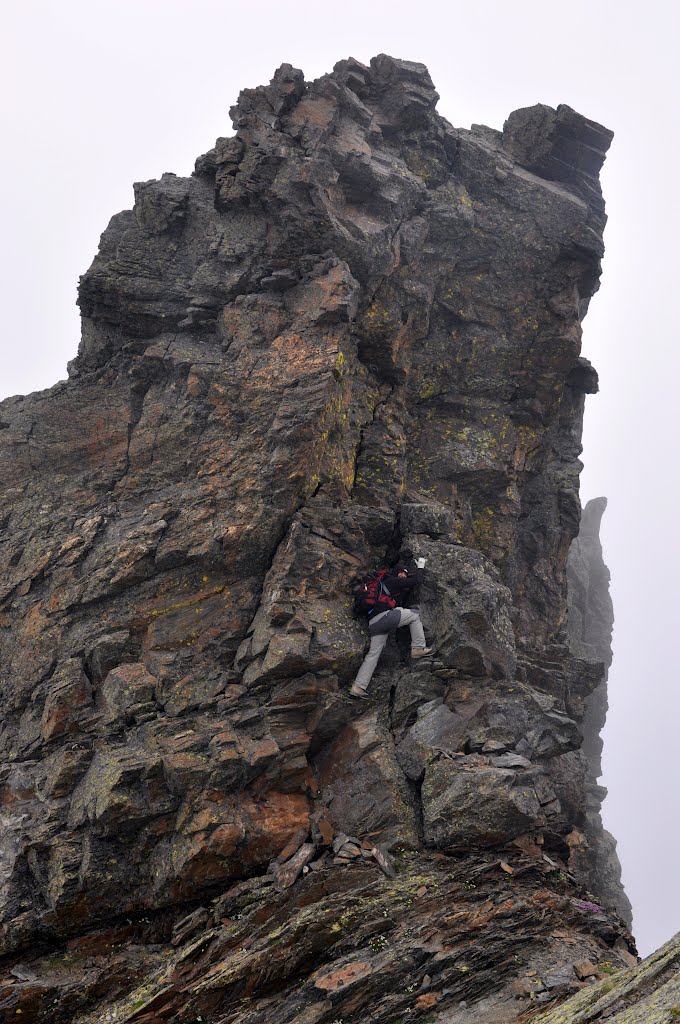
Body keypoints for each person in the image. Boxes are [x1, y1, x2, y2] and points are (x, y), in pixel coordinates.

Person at [350, 557, 432, 698]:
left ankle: (358, 687)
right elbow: (416, 581)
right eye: (401, 573)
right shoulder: (394, 581)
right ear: (395, 573)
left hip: (374, 624)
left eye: (405, 574)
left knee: (373, 655)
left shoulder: (387, 583)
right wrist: (421, 567)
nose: (403, 576)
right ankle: (418, 648)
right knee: (415, 615)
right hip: (384, 617)